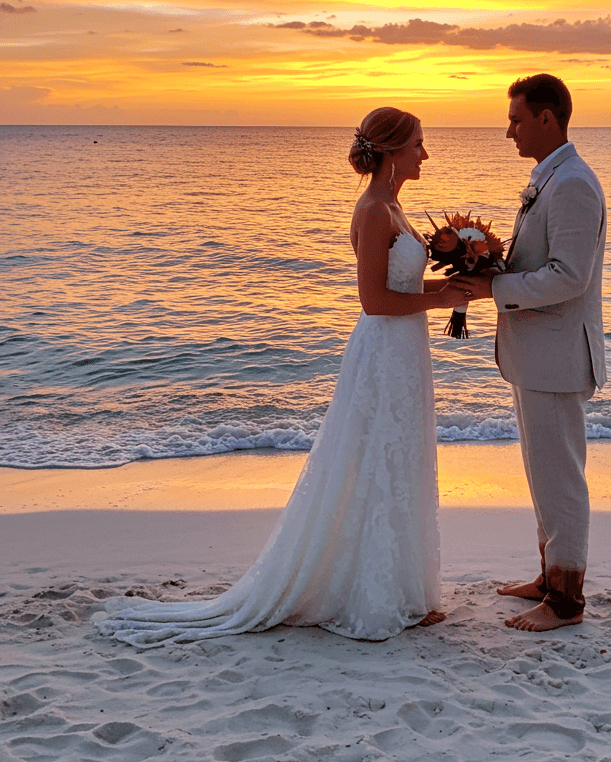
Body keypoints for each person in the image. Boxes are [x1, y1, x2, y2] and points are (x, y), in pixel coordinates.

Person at [99, 108, 471, 645]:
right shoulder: (372, 211)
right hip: (384, 350)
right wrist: (441, 300)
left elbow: (408, 288)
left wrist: (458, 288)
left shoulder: (396, 205)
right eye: (418, 143)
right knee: (374, 458)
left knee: (401, 456)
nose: (425, 153)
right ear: (392, 150)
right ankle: (372, 596)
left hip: (407, 351)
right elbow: (373, 301)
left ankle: (405, 590)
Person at [453, 74, 606, 632]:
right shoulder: (550, 179)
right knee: (541, 473)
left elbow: (569, 277)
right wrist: (491, 266)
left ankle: (566, 601)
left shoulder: (573, 185)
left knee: (560, 478)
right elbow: (539, 261)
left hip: (558, 355)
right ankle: (548, 576)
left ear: (547, 119)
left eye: (517, 119)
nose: (509, 130)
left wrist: (493, 288)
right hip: (534, 353)